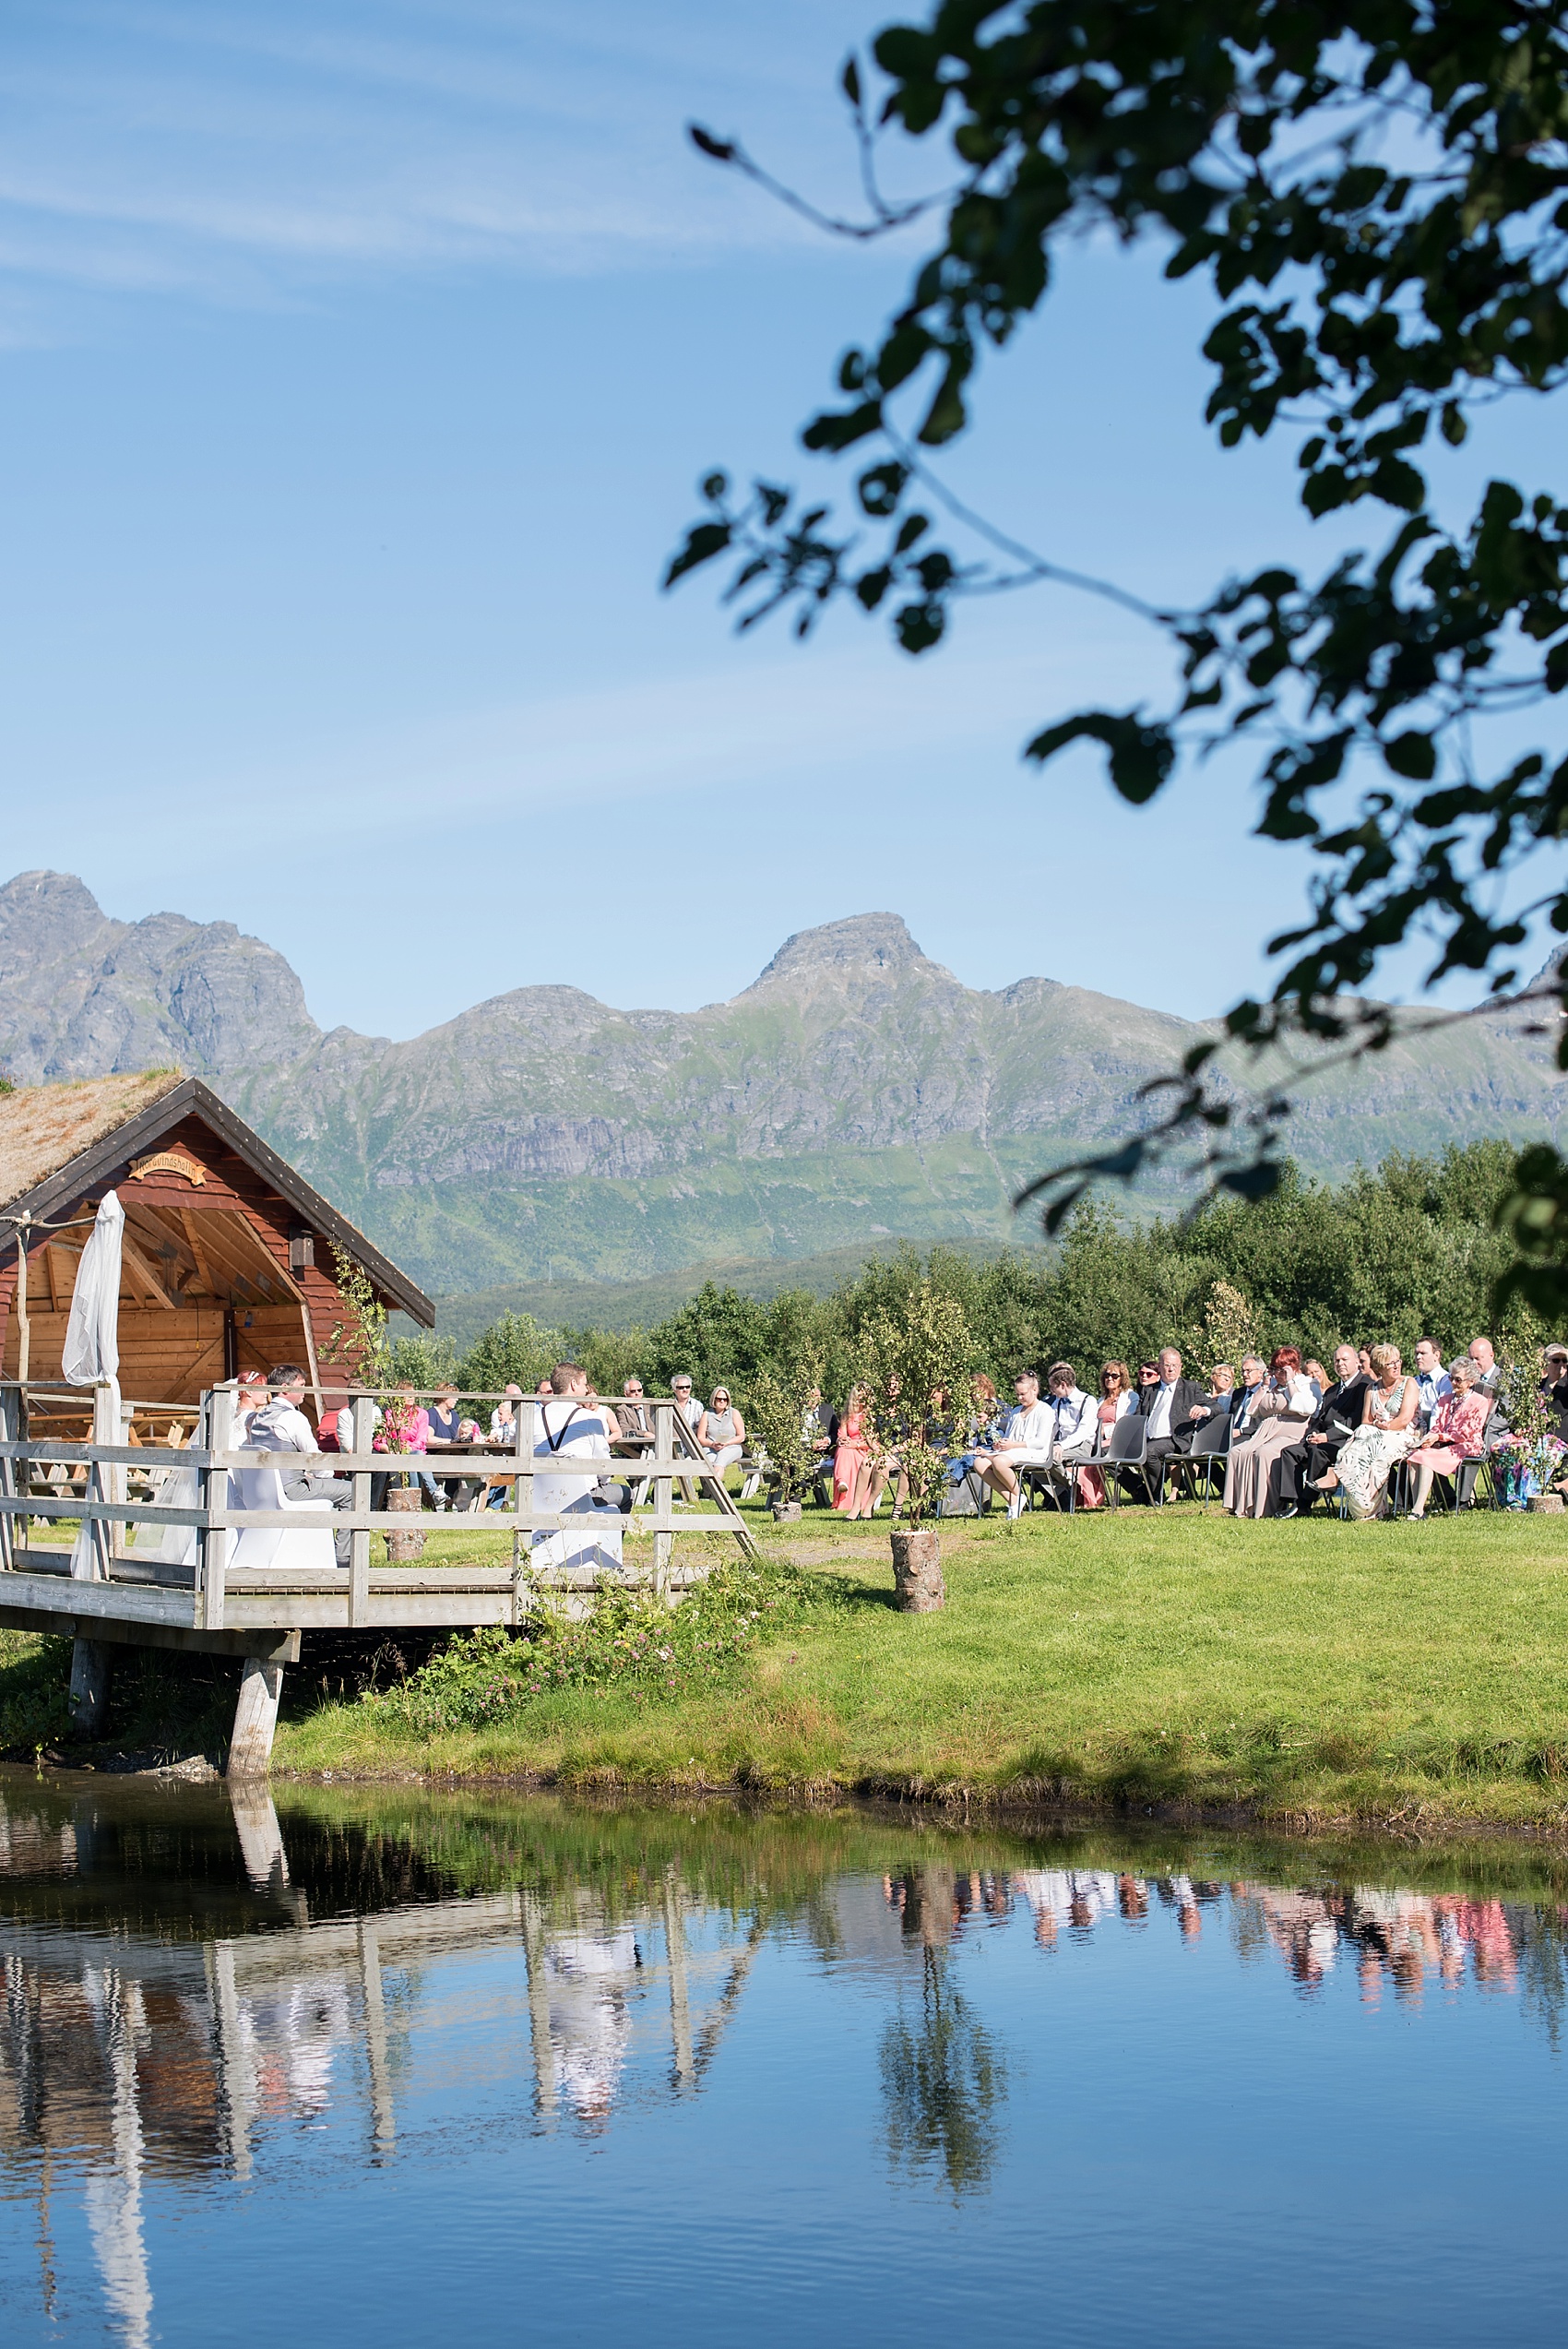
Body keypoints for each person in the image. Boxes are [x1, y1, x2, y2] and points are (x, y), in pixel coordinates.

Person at [245, 1363, 352, 1567]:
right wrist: (327, 1476)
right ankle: (343, 1558)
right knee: (353, 1491)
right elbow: (314, 1459)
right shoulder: (292, 1418)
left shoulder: (257, 1418)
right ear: (286, 1388)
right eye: (301, 1385)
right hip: (290, 1489)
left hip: (261, 1490)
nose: (304, 1391)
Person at [531, 1364, 624, 1575]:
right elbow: (603, 1464)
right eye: (583, 1384)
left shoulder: (533, 1418)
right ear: (573, 1384)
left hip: (539, 1495)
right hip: (582, 1495)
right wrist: (604, 1478)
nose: (585, 1389)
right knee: (625, 1495)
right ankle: (606, 1558)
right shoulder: (588, 1418)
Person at [1311, 1343, 1419, 1519]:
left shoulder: (1408, 1383)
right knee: (1361, 1433)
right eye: (1390, 1364)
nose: (1397, 1366)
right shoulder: (1372, 1389)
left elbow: (1405, 1418)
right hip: (1376, 1436)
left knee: (1373, 1448)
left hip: (1403, 1435)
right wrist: (1378, 1425)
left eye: (1398, 1361)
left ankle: (1336, 1475)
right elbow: (1366, 1421)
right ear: (1380, 1368)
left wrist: (1386, 1426)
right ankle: (1364, 1505)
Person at [1271, 1344, 1369, 1515]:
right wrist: (1312, 1434)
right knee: (1290, 1453)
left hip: (1346, 1441)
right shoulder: (1332, 1390)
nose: (1340, 1364)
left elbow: (1355, 1421)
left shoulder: (1364, 1385)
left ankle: (1304, 1504)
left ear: (1356, 1362)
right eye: (1336, 1360)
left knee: (1318, 1452)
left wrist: (1327, 1437)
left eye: (1344, 1359)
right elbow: (1319, 1418)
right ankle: (1293, 1502)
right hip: (1322, 1438)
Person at [1223, 1347, 1315, 1517]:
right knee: (1237, 1452)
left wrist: (1290, 1382)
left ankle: (1265, 1507)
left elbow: (1304, 1408)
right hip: (1265, 1431)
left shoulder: (1305, 1383)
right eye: (1274, 1369)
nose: (1277, 1374)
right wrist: (1264, 1386)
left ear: (1292, 1368)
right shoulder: (1271, 1385)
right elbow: (1252, 1410)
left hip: (1292, 1432)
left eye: (1281, 1370)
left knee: (1264, 1453)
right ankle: (1240, 1506)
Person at [1403, 1357, 1491, 1517]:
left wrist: (1440, 1436)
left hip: (1467, 1446)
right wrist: (1431, 1437)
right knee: (1415, 1456)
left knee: (1426, 1458)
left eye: (1458, 1379)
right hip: (1445, 1444)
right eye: (1451, 1378)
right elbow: (1438, 1424)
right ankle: (1417, 1507)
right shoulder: (1445, 1399)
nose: (1453, 1382)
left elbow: (1467, 1432)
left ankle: (1418, 1510)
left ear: (1470, 1382)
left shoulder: (1480, 1402)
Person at [974, 1371, 1055, 1519]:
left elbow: (1040, 1442)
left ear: (1034, 1390)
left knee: (999, 1461)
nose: (1019, 1397)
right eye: (1017, 1394)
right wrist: (999, 1444)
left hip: (1034, 1452)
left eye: (1023, 1394)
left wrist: (1012, 1445)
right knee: (979, 1462)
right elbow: (1009, 1437)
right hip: (1012, 1452)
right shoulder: (1016, 1411)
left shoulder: (1045, 1411)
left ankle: (1016, 1500)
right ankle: (1014, 1500)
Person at [1133, 1348, 1207, 1502]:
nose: (1171, 1369)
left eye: (1174, 1365)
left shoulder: (1190, 1388)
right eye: (1167, 1365)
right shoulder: (1149, 1390)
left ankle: (1155, 1495)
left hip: (1174, 1439)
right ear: (1160, 1367)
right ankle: (1138, 1490)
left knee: (1150, 1451)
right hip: (1147, 1438)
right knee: (1105, 1451)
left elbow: (1216, 1407)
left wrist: (1203, 1409)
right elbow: (1138, 1417)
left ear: (1180, 1367)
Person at [1077, 1361, 1134, 1510]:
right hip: (1097, 1439)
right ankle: (1086, 1496)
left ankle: (1135, 1487)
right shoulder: (1100, 1400)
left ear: (1122, 1378)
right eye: (1107, 1375)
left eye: (1114, 1375)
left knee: (1097, 1454)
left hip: (1118, 1440)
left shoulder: (1130, 1397)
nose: (1110, 1378)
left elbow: (1127, 1422)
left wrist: (1104, 1431)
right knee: (1084, 1453)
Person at [427, 1383, 482, 1512]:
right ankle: (454, 1502)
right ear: (444, 1397)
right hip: (437, 1456)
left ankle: (462, 1502)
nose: (457, 1399)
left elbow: (458, 1436)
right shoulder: (432, 1414)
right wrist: (450, 1442)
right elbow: (429, 1438)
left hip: (454, 1455)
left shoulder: (454, 1415)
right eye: (454, 1396)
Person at [833, 1386, 885, 1517]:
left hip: (865, 1448)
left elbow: (873, 1442)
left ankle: (842, 1485)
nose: (860, 1399)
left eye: (863, 1396)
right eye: (858, 1395)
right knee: (843, 1449)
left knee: (846, 1451)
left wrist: (855, 1444)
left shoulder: (871, 1416)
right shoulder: (847, 1415)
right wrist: (841, 1441)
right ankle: (842, 1482)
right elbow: (842, 1434)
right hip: (850, 1448)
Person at [696, 1387, 746, 1480]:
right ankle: (708, 1493)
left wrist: (726, 1443)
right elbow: (700, 1438)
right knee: (708, 1466)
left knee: (719, 1462)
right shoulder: (706, 1414)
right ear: (714, 1399)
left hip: (731, 1447)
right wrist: (712, 1444)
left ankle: (716, 1492)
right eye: (719, 1399)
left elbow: (741, 1436)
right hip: (711, 1448)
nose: (722, 1401)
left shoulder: (734, 1413)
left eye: (725, 1399)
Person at [1411, 1337, 1451, 1431]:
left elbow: (1440, 1412)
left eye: (1423, 1353)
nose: (1418, 1357)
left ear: (1436, 1355)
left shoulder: (1446, 1380)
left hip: (1433, 1432)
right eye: (1417, 1353)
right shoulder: (1413, 1381)